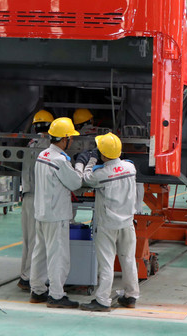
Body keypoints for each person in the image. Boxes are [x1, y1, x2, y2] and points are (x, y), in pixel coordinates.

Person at [78, 133, 140, 312]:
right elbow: (124, 165)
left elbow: (85, 178)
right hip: (127, 223)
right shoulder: (130, 168)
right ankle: (131, 296)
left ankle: (103, 300)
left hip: (108, 225)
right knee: (128, 259)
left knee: (106, 263)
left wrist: (89, 160)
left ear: (103, 154)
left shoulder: (100, 174)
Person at [30, 117, 83, 308]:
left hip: (42, 213)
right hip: (56, 215)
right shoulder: (60, 160)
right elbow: (76, 183)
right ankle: (57, 296)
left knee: (40, 253)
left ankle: (37, 291)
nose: (72, 142)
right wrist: (79, 166)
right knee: (58, 255)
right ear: (64, 139)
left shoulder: (43, 155)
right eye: (71, 138)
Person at [17, 110, 54, 291]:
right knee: (37, 241)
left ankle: (25, 276)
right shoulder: (48, 145)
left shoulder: (31, 143)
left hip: (27, 196)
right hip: (39, 198)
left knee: (28, 239)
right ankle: (29, 277)